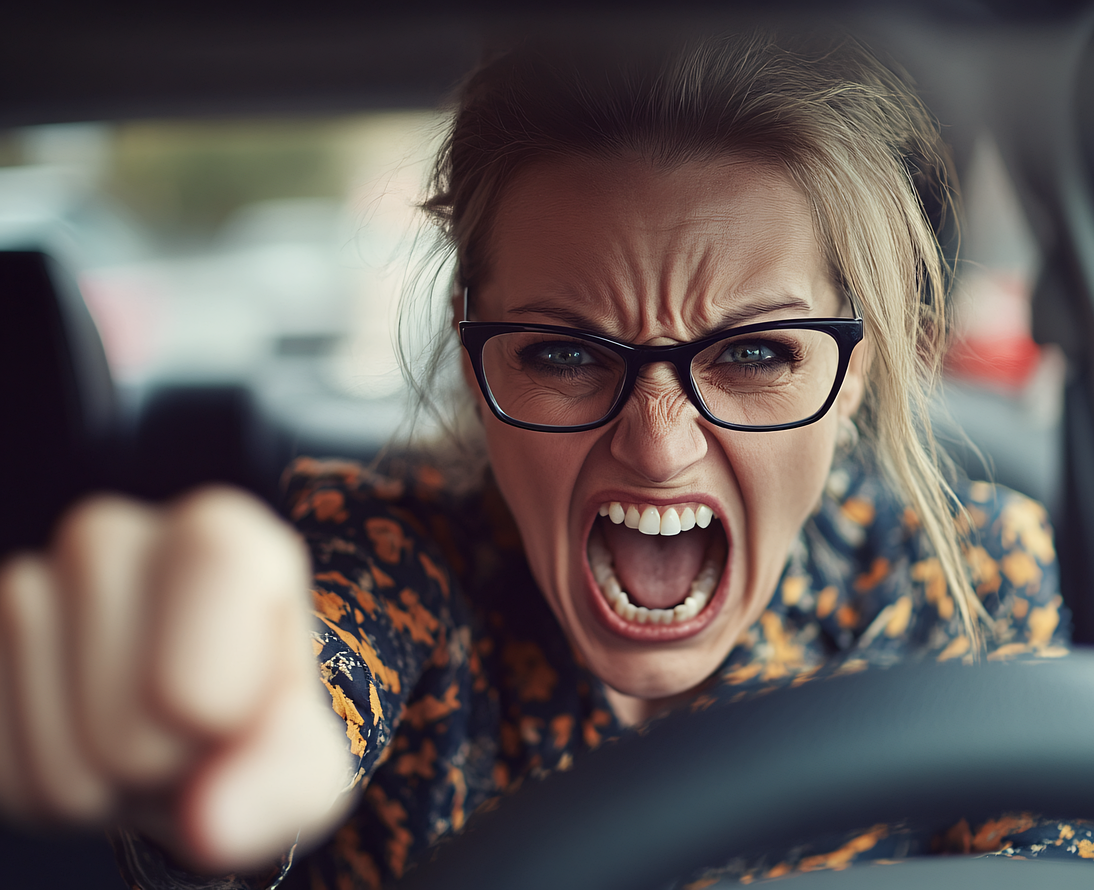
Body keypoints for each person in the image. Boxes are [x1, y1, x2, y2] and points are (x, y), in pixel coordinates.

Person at [0, 26, 1078, 890]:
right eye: (561, 351)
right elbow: (296, 690)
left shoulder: (966, 581)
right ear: (476, 359)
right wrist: (210, 733)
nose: (656, 446)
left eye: (754, 351)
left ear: (853, 372)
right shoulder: (401, 557)